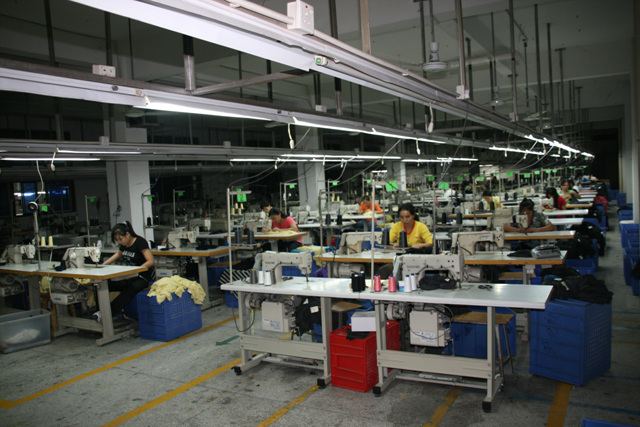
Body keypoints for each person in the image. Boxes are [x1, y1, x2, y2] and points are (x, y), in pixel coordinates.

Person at [96, 221, 155, 322]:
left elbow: (150, 261)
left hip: (140, 277)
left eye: (120, 239)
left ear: (127, 234)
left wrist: (136, 271)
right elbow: (118, 254)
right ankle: (99, 311)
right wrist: (102, 265)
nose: (119, 242)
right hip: (127, 276)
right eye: (117, 240)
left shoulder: (140, 242)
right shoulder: (125, 244)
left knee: (129, 290)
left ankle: (106, 314)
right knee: (100, 285)